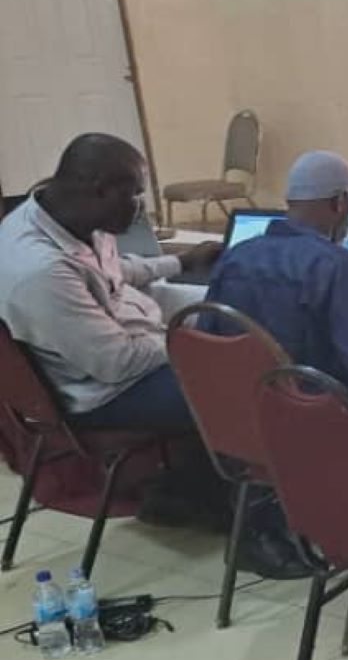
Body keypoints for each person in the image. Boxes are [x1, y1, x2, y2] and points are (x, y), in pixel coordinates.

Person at [0, 133, 226, 526]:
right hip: (102, 393)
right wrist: (189, 342)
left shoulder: (68, 216)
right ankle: (208, 499)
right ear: (100, 189)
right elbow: (117, 363)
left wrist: (180, 263)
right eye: (135, 195)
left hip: (124, 350)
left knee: (224, 344)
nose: (140, 209)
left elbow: (110, 274)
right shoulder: (40, 270)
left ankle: (188, 487)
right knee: (232, 387)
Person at [199, 150, 348, 577]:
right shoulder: (338, 266)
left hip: (238, 420)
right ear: (340, 204)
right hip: (308, 420)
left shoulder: (236, 256)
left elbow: (208, 335)